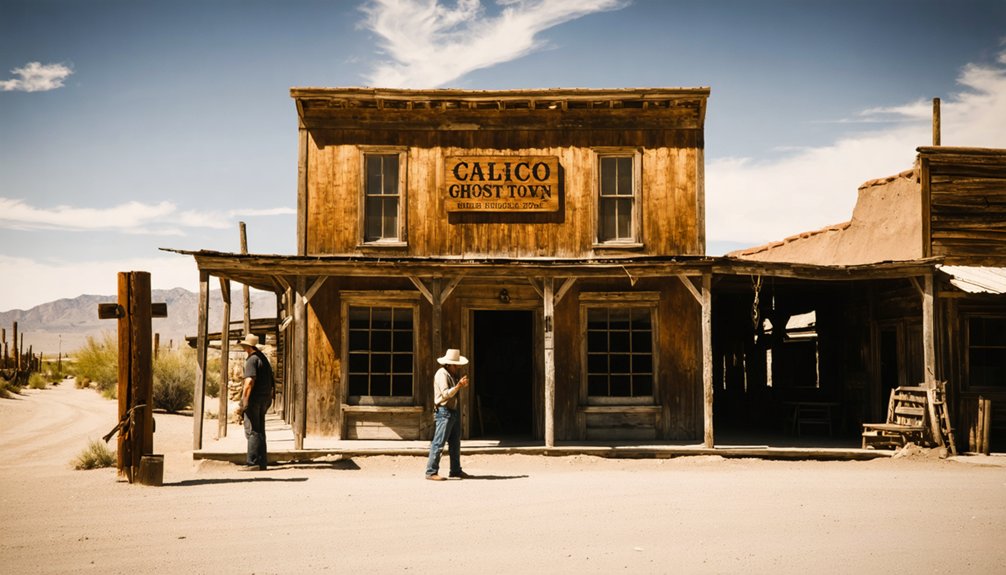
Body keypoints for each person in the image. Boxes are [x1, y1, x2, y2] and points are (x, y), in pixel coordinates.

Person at [425, 348, 471, 481]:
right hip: (444, 411)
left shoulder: (449, 374)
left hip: (451, 411)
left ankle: (455, 470)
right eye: (456, 364)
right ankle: (431, 471)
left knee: (455, 443)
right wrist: (458, 386)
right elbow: (445, 394)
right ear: (449, 364)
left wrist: (458, 386)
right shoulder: (442, 374)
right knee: (439, 442)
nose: (457, 367)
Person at [235, 334, 274, 470]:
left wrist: (244, 402)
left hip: (254, 399)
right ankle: (262, 462)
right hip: (264, 399)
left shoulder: (252, 360)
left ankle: (252, 462)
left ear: (248, 346)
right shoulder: (263, 359)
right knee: (260, 430)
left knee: (252, 430)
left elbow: (249, 382)